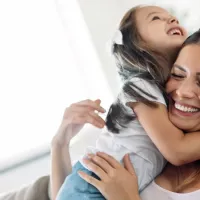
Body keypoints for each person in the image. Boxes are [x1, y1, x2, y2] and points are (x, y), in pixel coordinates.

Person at [51, 5, 200, 200]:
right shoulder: (141, 88)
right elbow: (177, 150)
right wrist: (59, 144)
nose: (183, 91)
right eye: (177, 74)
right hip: (91, 184)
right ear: (137, 47)